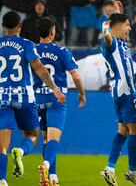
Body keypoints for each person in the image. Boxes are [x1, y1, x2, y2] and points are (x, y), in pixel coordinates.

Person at [0, 11, 65, 186]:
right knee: (32, 135)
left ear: (3, 26)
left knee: (2, 144)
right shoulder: (27, 44)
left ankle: (2, 180)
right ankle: (21, 151)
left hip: (2, 97)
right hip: (25, 97)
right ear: (20, 27)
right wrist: (55, 89)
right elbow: (39, 68)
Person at [34, 17, 86, 186]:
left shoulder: (32, 51)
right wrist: (82, 93)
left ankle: (53, 179)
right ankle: (46, 165)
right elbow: (76, 76)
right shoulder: (62, 51)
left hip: (37, 99)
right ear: (52, 31)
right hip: (57, 98)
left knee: (45, 139)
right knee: (54, 138)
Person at [99, 13, 136, 186]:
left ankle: (110, 168)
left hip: (119, 92)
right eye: (127, 25)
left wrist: (117, 10)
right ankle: (132, 171)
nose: (130, 28)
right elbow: (107, 37)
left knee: (123, 130)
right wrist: (106, 26)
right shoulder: (111, 43)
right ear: (117, 27)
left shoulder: (121, 43)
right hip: (126, 92)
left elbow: (115, 26)